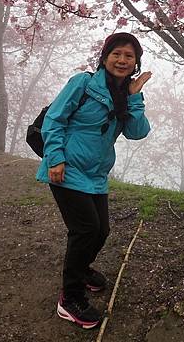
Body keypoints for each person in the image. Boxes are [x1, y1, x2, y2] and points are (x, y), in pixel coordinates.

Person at [36, 32, 151, 329]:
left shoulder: (128, 94)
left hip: (96, 173)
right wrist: (56, 157)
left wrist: (136, 96)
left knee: (101, 231)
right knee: (86, 230)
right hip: (66, 168)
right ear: (104, 57)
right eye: (117, 53)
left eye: (129, 56)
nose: (122, 60)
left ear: (136, 62)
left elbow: (137, 132)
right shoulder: (83, 83)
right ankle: (70, 299)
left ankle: (82, 270)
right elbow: (54, 119)